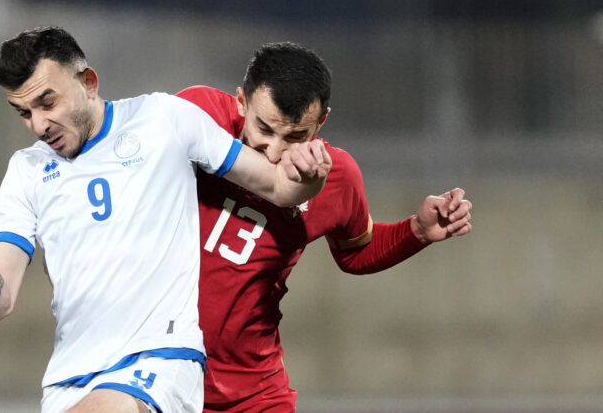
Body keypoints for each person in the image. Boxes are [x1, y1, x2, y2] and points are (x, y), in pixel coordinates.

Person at [0, 27, 332, 413]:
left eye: (48, 103)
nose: (38, 124)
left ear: (88, 82)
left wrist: (309, 180)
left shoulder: (164, 119)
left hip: (158, 362)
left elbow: (280, 188)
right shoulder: (26, 171)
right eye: (24, 113)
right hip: (68, 380)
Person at [177, 42, 474, 412]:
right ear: (242, 101)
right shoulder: (197, 116)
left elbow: (356, 251)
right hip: (156, 373)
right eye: (264, 129)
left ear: (322, 121)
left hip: (252, 393)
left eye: (295, 136)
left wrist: (415, 231)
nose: (273, 151)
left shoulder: (336, 177)